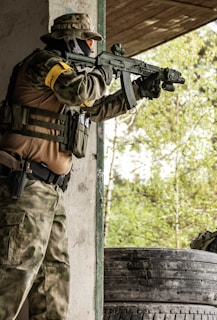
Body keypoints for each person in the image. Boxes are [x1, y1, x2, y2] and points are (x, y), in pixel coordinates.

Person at [0, 13, 162, 319]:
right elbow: (83, 91)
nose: (91, 47)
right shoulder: (44, 64)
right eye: (88, 41)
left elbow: (96, 108)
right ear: (70, 40)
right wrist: (104, 70)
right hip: (27, 188)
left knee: (54, 284)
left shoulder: (68, 80)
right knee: (12, 277)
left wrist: (138, 91)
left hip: (51, 193)